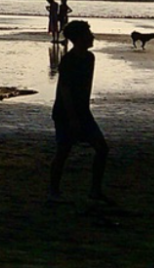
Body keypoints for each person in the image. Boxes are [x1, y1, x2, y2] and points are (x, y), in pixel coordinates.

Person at [49, 19, 110, 204]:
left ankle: (95, 190)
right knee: (63, 151)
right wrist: (73, 117)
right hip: (65, 112)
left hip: (83, 111)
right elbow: (65, 91)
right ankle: (53, 190)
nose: (92, 37)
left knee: (102, 148)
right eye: (88, 34)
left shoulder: (90, 58)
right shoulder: (68, 60)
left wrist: (83, 112)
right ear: (79, 38)